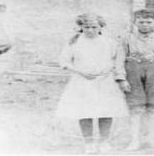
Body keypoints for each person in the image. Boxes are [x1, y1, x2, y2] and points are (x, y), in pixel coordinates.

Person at [55, 13, 128, 154]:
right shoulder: (74, 42)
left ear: (101, 27)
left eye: (94, 27)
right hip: (82, 81)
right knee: (84, 111)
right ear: (81, 27)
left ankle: (104, 141)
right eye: (86, 27)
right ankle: (88, 142)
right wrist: (80, 71)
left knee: (106, 110)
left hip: (105, 81)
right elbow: (64, 61)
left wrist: (106, 72)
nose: (90, 30)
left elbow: (116, 61)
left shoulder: (109, 42)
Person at [118, 9, 154, 150]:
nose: (145, 25)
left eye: (149, 22)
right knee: (135, 107)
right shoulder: (127, 39)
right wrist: (122, 79)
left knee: (152, 107)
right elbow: (120, 59)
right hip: (133, 72)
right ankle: (134, 140)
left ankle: (150, 139)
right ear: (135, 23)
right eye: (141, 22)